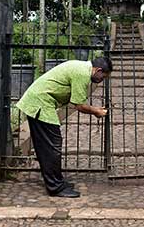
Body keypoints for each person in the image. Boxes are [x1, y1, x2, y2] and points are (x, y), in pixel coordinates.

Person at [15, 57, 112, 198]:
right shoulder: (82, 74)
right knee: (52, 146)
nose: (102, 80)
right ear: (98, 70)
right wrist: (96, 111)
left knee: (49, 146)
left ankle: (57, 182)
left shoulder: (81, 68)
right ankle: (55, 187)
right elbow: (78, 105)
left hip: (41, 103)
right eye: (103, 76)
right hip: (40, 104)